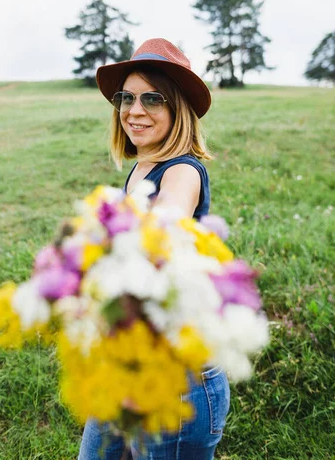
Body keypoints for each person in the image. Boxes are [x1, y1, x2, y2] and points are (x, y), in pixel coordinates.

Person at [78, 38, 230, 460]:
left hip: (182, 381)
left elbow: (169, 221)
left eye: (152, 99)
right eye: (126, 97)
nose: (134, 110)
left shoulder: (181, 171)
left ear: (177, 108)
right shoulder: (142, 166)